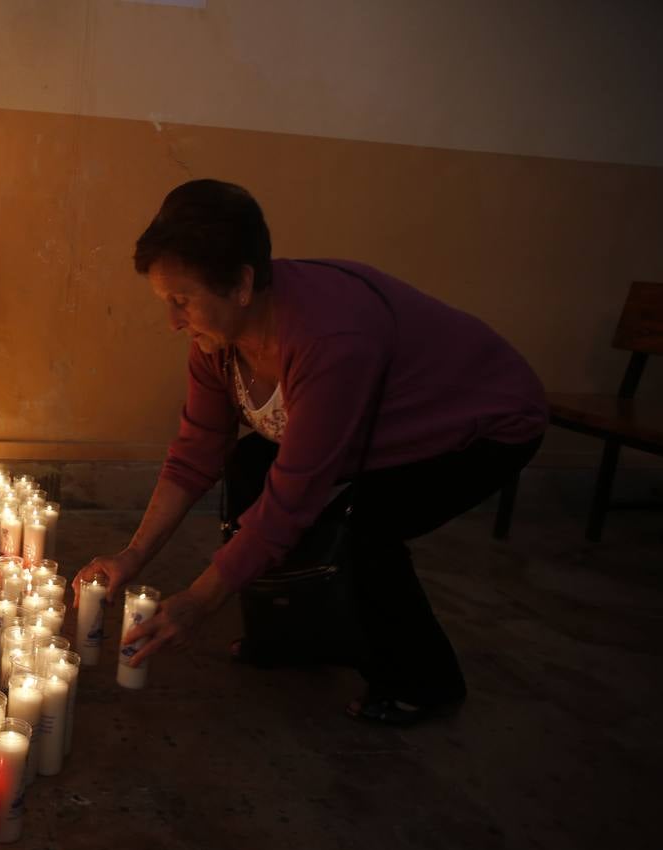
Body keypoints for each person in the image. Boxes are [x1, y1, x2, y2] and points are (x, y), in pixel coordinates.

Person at [73, 179, 547, 725]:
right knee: (248, 464)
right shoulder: (216, 339)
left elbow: (294, 499)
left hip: (482, 421)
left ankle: (423, 679)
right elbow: (196, 452)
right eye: (166, 302)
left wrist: (200, 600)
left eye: (182, 301)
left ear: (242, 284)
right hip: (372, 423)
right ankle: (289, 635)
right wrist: (131, 557)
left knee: (367, 524)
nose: (173, 321)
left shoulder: (330, 340)